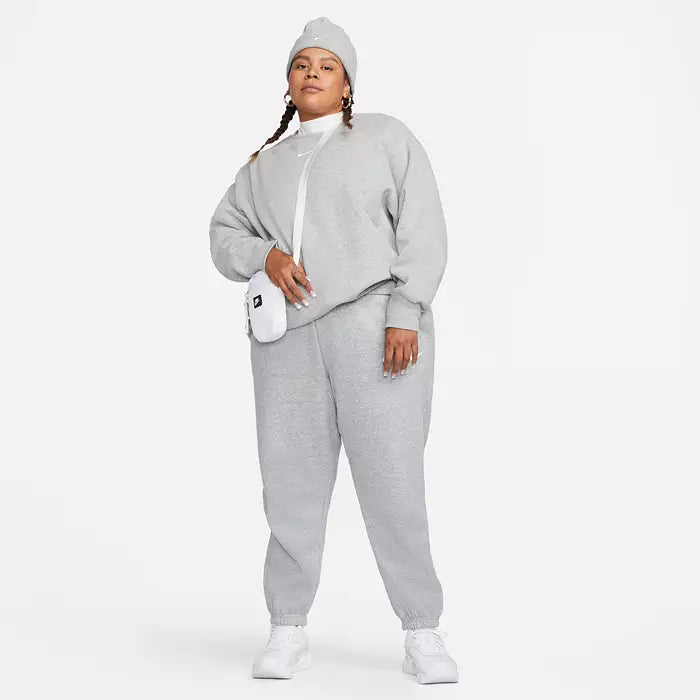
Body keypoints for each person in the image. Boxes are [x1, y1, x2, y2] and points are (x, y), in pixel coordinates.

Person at [208, 16, 458, 685]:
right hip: (287, 341)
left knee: (393, 481)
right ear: (288, 83)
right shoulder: (263, 165)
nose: (312, 73)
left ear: (347, 84)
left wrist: (406, 312)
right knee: (289, 483)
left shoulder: (385, 138)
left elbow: (423, 228)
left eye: (327, 65)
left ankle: (422, 628)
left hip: (375, 328)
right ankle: (287, 627)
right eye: (301, 64)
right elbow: (223, 234)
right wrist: (265, 254)